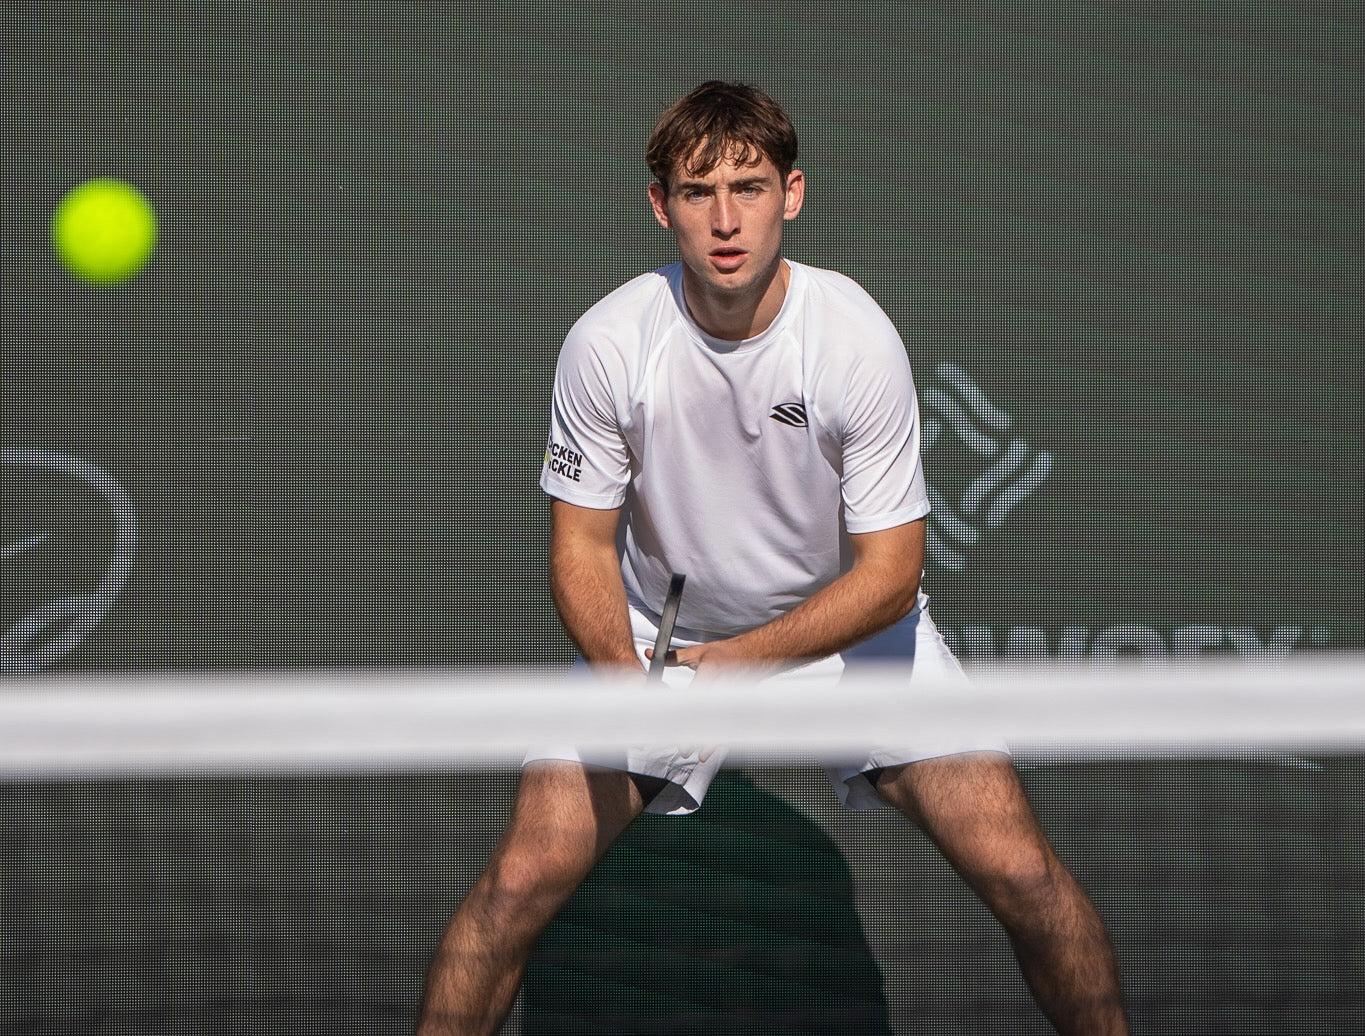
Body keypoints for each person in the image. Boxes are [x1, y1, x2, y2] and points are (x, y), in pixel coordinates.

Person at [418, 81, 1129, 1035]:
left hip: (852, 640)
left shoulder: (851, 340)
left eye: (748, 188)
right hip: (659, 643)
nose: (725, 219)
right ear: (659, 203)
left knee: (1024, 875)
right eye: (698, 190)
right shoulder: (607, 344)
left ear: (791, 195)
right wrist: (629, 685)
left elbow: (890, 575)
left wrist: (741, 666)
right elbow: (580, 545)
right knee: (512, 892)